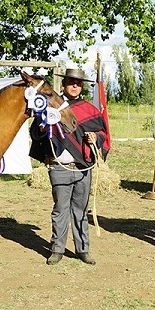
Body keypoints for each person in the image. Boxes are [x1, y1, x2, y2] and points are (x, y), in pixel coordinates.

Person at [29, 68, 110, 266]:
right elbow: (36, 133)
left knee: (81, 210)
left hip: (83, 167)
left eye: (78, 83)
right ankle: (57, 249)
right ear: (64, 83)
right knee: (60, 210)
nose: (75, 86)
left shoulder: (89, 109)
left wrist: (95, 138)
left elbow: (103, 134)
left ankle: (83, 249)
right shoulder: (51, 106)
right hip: (59, 166)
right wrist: (41, 126)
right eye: (71, 82)